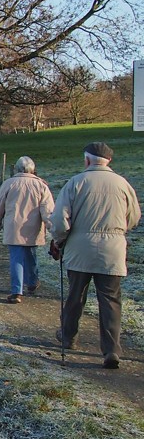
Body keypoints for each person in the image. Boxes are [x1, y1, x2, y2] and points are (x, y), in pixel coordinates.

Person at [50, 142, 141, 369]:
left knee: (75, 296)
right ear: (109, 161)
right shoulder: (123, 184)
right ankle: (111, 349)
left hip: (80, 248)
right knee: (110, 300)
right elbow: (134, 218)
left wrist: (59, 241)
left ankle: (69, 336)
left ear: (87, 160)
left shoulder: (76, 183)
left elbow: (60, 221)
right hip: (112, 250)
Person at [0, 156, 55, 304]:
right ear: (33, 170)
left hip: (13, 227)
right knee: (31, 255)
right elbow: (48, 211)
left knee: (16, 258)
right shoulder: (41, 186)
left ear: (17, 169)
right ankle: (32, 283)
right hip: (33, 227)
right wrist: (54, 230)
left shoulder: (9, 184)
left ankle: (16, 291)